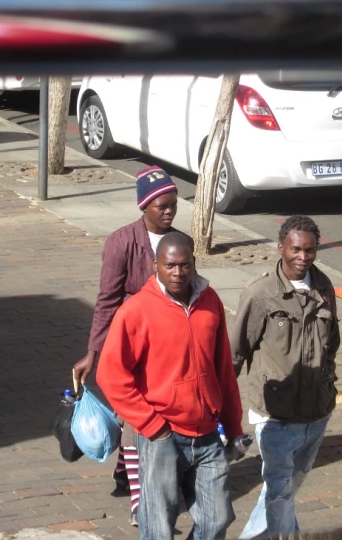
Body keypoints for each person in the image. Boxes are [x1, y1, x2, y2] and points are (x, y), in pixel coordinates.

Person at [97, 232, 245, 540]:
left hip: (206, 433)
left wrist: (233, 427)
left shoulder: (210, 301)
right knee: (158, 528)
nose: (178, 272)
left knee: (218, 518)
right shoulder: (136, 310)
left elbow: (222, 370)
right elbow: (111, 375)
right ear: (156, 266)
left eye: (185, 265)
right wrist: (151, 424)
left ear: (194, 263)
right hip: (161, 437)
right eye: (170, 266)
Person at [72, 165, 178, 525]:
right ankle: (140, 500)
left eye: (173, 205)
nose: (168, 212)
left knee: (145, 413)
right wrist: (94, 352)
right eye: (161, 206)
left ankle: (125, 470)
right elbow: (106, 301)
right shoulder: (121, 243)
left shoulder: (177, 242)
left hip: (165, 343)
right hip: (128, 341)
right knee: (136, 416)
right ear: (144, 207)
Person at [231, 215, 340, 539]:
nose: (302, 257)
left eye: (309, 250)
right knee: (278, 490)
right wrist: (221, 411)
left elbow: (331, 342)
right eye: (295, 249)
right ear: (281, 248)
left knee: (288, 490)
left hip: (317, 413)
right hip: (275, 414)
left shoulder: (324, 288)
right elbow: (236, 353)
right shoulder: (261, 293)